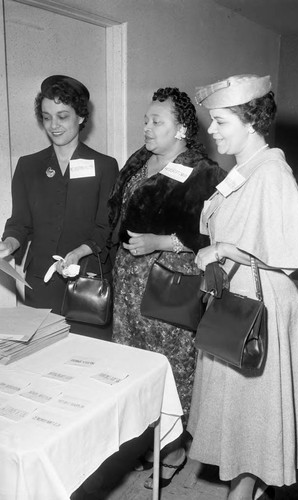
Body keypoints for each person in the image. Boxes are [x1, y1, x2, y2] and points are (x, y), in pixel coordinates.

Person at [188, 74, 298, 500]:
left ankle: (244, 487)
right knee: (240, 410)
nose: (211, 130)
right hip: (235, 296)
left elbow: (289, 256)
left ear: (251, 122)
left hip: (261, 303)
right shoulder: (242, 170)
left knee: (254, 408)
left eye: (221, 122)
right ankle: (245, 482)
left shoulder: (272, 172)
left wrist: (224, 247)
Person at [108, 87, 226, 489]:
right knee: (135, 367)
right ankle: (148, 439)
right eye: (146, 119)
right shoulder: (139, 161)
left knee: (171, 369)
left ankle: (174, 450)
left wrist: (161, 242)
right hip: (128, 284)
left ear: (181, 129)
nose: (146, 127)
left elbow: (214, 234)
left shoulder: (203, 171)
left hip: (169, 283)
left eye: (156, 121)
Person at [0, 75, 119, 339]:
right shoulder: (28, 166)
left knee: (87, 357)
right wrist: (10, 243)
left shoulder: (105, 166)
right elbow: (20, 222)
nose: (54, 125)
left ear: (81, 117)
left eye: (63, 116)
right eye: (47, 117)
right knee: (42, 357)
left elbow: (107, 226)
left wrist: (80, 251)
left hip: (86, 279)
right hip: (41, 281)